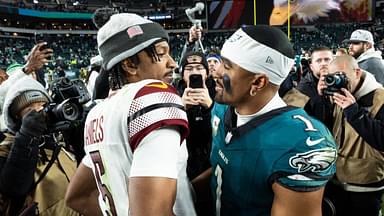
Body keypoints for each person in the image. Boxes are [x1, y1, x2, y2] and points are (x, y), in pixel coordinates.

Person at [65, 13, 196, 216]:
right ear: (129, 64)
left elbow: (77, 197)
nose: (172, 63)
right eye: (161, 53)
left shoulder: (97, 112)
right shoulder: (153, 97)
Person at [201, 25, 338, 215]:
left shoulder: (301, 142)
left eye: (227, 65)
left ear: (258, 82)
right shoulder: (223, 107)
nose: (215, 72)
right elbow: (225, 164)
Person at [310, 55, 384, 216]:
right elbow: (323, 131)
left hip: (365, 185)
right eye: (333, 77)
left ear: (357, 72)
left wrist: (354, 112)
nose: (337, 81)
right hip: (335, 181)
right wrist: (322, 100)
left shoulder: (380, 98)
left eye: (341, 76)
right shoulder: (337, 93)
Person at [0, 76, 78, 216]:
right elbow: (14, 188)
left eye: (43, 106)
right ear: (17, 117)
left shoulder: (58, 139)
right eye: (30, 110)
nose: (39, 113)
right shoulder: (7, 148)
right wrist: (27, 135)